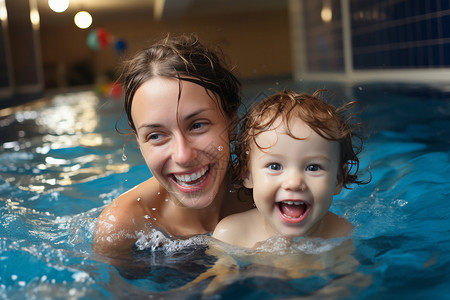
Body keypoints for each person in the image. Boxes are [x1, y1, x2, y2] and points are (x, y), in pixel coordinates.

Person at [92, 34, 254, 258]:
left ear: (232, 122)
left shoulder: (267, 199)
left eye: (197, 125)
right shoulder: (122, 227)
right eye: (156, 136)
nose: (183, 156)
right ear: (138, 140)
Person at [212, 89, 368, 248]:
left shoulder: (342, 234)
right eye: (275, 166)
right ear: (247, 174)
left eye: (313, 168)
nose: (294, 182)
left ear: (338, 179)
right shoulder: (232, 235)